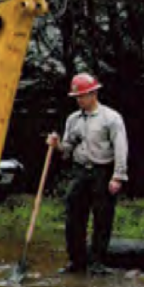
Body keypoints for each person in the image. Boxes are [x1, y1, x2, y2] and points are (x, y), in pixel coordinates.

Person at [47, 72, 128, 275]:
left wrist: (118, 176)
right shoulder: (73, 119)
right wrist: (56, 145)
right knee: (73, 215)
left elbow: (121, 148)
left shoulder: (111, 118)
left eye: (82, 96)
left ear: (93, 94)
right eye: (76, 97)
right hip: (81, 171)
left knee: (102, 218)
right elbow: (66, 150)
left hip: (103, 171)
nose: (79, 100)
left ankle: (98, 263)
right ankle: (77, 261)